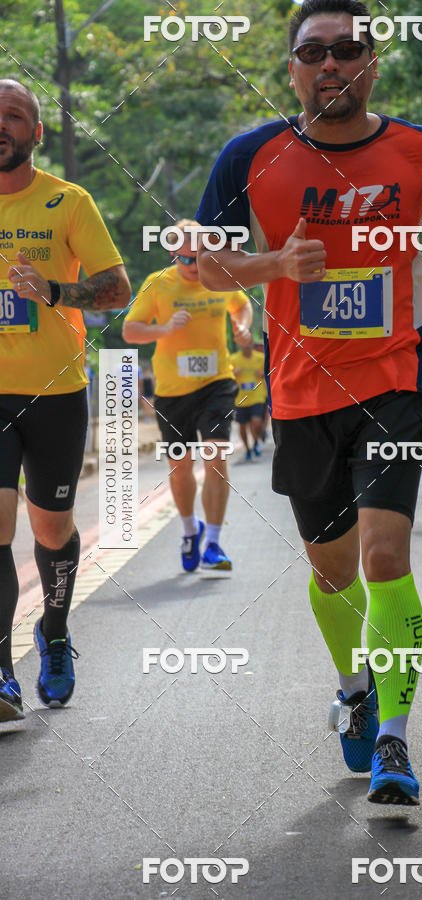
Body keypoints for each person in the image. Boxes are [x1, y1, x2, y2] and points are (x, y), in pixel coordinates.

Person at [196, 0, 422, 805]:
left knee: (386, 556)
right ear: (291, 68)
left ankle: (393, 737)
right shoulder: (250, 156)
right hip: (299, 389)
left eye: (347, 49)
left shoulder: (421, 148)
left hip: (396, 372)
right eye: (313, 52)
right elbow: (207, 266)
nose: (330, 64)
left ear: (371, 63)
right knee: (332, 574)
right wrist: (276, 265)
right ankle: (354, 686)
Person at [0, 79, 131, 721]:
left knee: (50, 526)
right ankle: (1, 672)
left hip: (56, 391)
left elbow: (116, 290)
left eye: (14, 116)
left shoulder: (66, 201)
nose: (2, 125)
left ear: (36, 133)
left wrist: (52, 292)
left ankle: (54, 630)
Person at [122, 221, 253, 572]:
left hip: (217, 383)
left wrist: (242, 326)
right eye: (185, 259)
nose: (194, 267)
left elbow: (241, 305)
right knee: (180, 469)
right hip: (172, 392)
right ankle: (189, 530)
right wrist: (163, 329)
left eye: (199, 258)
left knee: (216, 456)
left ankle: (213, 542)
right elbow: (130, 330)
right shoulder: (158, 284)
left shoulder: (220, 277)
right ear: (172, 255)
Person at [231, 342, 267, 460]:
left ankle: (256, 442)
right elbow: (226, 375)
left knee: (256, 422)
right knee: (242, 426)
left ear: (251, 344)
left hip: (257, 395)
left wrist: (263, 373)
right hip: (240, 398)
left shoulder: (260, 358)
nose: (246, 346)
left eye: (248, 343)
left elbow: (270, 371)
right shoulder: (234, 359)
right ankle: (247, 449)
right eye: (244, 343)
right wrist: (233, 373)